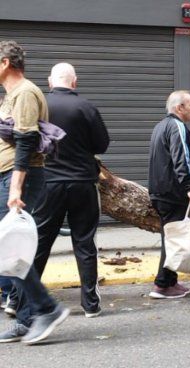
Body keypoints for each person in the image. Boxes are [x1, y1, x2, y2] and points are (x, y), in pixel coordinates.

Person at [0, 40, 69, 345]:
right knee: (9, 251)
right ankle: (27, 318)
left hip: (20, 180)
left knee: (11, 250)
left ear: (4, 63)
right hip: (8, 176)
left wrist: (15, 188)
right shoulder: (10, 96)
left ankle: (46, 308)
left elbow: (27, 141)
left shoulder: (26, 92)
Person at [30, 62, 109, 318]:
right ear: (74, 82)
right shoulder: (86, 107)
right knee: (85, 242)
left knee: (40, 242)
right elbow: (102, 144)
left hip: (48, 184)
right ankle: (90, 304)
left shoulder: (39, 105)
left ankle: (23, 301)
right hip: (83, 184)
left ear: (50, 81)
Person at [148, 90, 190, 299]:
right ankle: (162, 284)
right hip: (172, 192)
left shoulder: (160, 126)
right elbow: (182, 160)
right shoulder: (177, 126)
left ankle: (170, 281)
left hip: (160, 191)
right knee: (173, 239)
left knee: (172, 238)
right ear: (180, 108)